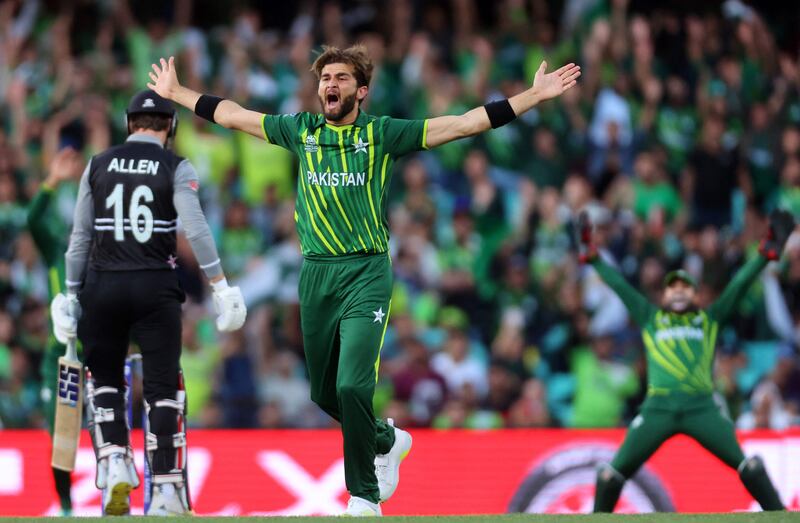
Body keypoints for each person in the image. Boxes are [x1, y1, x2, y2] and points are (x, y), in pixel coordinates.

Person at [146, 47, 580, 516]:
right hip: (315, 274)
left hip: (366, 272)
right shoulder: (302, 131)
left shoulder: (382, 133)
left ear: (361, 90)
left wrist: (532, 97)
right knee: (324, 393)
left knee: (353, 388)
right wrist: (177, 93)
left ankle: (363, 495)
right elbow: (232, 115)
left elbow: (462, 123)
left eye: (340, 78)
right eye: (325, 77)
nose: (330, 84)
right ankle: (386, 439)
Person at [50, 90, 247, 516]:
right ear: (170, 128)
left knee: (103, 379)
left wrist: (69, 294)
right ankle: (166, 491)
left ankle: (115, 460)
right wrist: (220, 284)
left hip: (101, 286)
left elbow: (80, 237)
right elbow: (193, 227)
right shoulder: (176, 165)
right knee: (162, 389)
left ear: (129, 124)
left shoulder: (97, 164)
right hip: (155, 286)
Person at [577, 210, 790, 513]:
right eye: (672, 287)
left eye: (685, 287)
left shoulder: (709, 319)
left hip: (701, 408)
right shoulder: (650, 318)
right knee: (610, 475)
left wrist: (764, 256)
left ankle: (780, 517)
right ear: (663, 296)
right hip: (657, 409)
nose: (678, 290)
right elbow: (621, 287)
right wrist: (593, 258)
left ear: (697, 295)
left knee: (748, 466)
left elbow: (739, 285)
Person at [27, 147, 84, 515]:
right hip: (59, 357)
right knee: (60, 433)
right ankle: (65, 506)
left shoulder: (99, 255)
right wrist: (52, 181)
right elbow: (33, 220)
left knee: (104, 426)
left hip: (96, 350)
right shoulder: (55, 252)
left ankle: (117, 495)